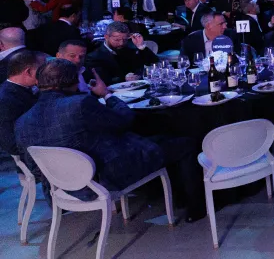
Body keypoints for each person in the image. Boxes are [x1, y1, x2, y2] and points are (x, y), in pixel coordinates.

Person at [16, 58, 206, 222]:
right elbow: (124, 120)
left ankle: (174, 194)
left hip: (62, 189)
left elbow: (35, 168)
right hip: (106, 178)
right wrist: (106, 94)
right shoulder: (79, 104)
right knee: (186, 144)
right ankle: (196, 207)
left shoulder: (22, 121)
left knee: (162, 140)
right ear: (73, 81)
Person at [0, 50, 45, 156]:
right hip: (30, 159)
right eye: (42, 69)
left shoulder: (24, 89)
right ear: (28, 72)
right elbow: (10, 144)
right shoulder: (6, 100)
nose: (46, 73)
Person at [84, 21, 158, 84]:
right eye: (117, 40)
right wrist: (124, 79)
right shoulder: (94, 57)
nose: (121, 43)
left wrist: (141, 46)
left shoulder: (128, 49)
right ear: (106, 37)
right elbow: (101, 80)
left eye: (125, 40)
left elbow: (154, 62)